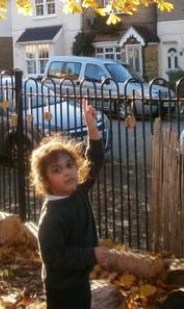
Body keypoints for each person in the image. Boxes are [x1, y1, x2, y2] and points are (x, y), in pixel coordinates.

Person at [30, 99, 114, 309]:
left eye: (69, 165)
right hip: (61, 286)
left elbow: (94, 160)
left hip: (79, 277)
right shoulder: (52, 216)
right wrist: (90, 255)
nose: (67, 171)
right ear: (46, 181)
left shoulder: (77, 190)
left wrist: (91, 127)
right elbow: (53, 256)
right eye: (57, 170)